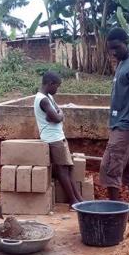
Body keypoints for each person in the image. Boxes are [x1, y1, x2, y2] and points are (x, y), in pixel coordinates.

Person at [100, 27, 129, 219]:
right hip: (119, 125)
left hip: (126, 128)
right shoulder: (121, 63)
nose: (113, 52)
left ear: (126, 43)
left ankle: (114, 215)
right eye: (110, 49)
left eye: (117, 48)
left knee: (109, 169)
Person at [34, 71, 82, 206]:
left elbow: (56, 113)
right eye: (57, 86)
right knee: (62, 170)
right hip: (53, 138)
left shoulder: (47, 96)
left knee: (67, 168)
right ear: (50, 84)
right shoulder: (43, 99)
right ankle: (73, 201)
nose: (57, 89)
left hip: (58, 136)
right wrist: (59, 114)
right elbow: (56, 117)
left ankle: (78, 199)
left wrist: (58, 113)